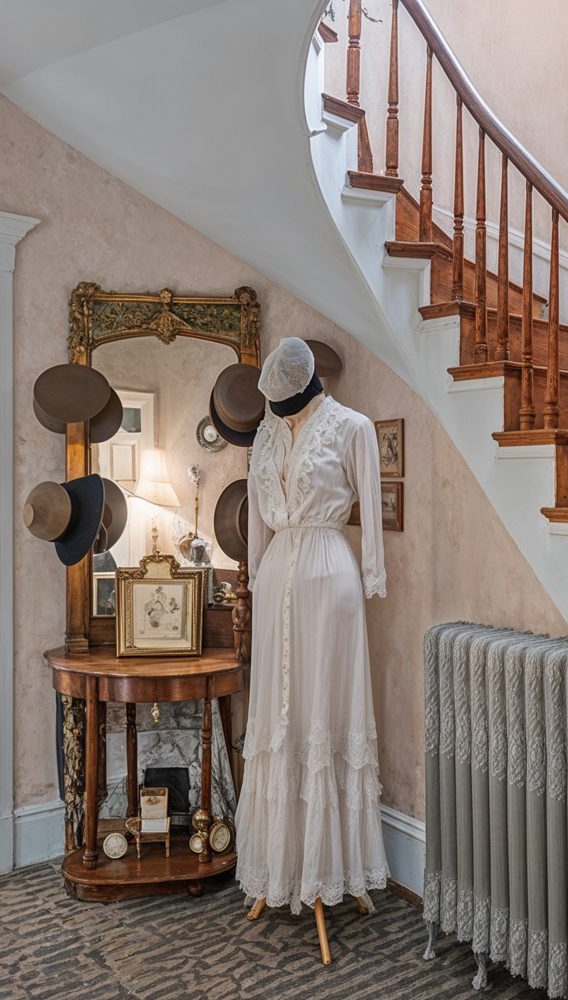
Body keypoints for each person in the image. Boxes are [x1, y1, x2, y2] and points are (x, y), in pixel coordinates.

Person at [234, 338, 388, 949]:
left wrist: (372, 573)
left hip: (329, 577)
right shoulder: (266, 435)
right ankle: (282, 862)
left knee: (325, 714)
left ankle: (331, 868)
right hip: (277, 578)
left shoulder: (353, 428)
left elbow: (370, 512)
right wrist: (250, 575)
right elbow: (255, 520)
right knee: (279, 717)